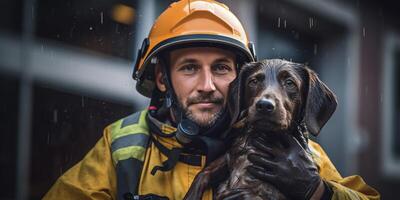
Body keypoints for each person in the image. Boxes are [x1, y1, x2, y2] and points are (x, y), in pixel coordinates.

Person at [44, 0, 380, 199]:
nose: (207, 85)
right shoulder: (121, 145)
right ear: (162, 78)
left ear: (242, 78)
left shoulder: (291, 150)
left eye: (220, 68)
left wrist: (317, 191)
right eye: (190, 68)